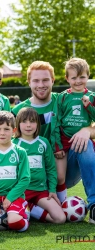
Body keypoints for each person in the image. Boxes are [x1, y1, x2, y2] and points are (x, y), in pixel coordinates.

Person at [12, 60, 95, 224]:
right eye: (36, 80)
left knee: (84, 144)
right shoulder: (17, 112)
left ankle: (93, 205)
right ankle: (31, 205)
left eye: (45, 80)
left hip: (63, 170)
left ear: (53, 81)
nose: (41, 84)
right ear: (28, 82)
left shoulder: (67, 99)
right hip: (32, 175)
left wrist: (88, 130)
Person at [51, 58, 95, 204]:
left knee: (87, 143)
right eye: (74, 77)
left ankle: (93, 203)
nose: (78, 81)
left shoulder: (91, 97)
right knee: (60, 177)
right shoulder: (62, 97)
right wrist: (57, 146)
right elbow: (56, 122)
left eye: (82, 77)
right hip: (64, 143)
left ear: (88, 76)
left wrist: (89, 106)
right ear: (67, 78)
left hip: (80, 145)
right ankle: (60, 202)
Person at [13, 107, 65, 223]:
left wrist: (52, 190)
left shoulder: (43, 142)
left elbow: (51, 168)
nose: (28, 125)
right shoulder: (13, 144)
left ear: (37, 124)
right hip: (20, 192)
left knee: (60, 219)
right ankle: (28, 206)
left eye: (32, 121)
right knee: (14, 219)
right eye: (24, 121)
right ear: (18, 124)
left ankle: (30, 207)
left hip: (40, 190)